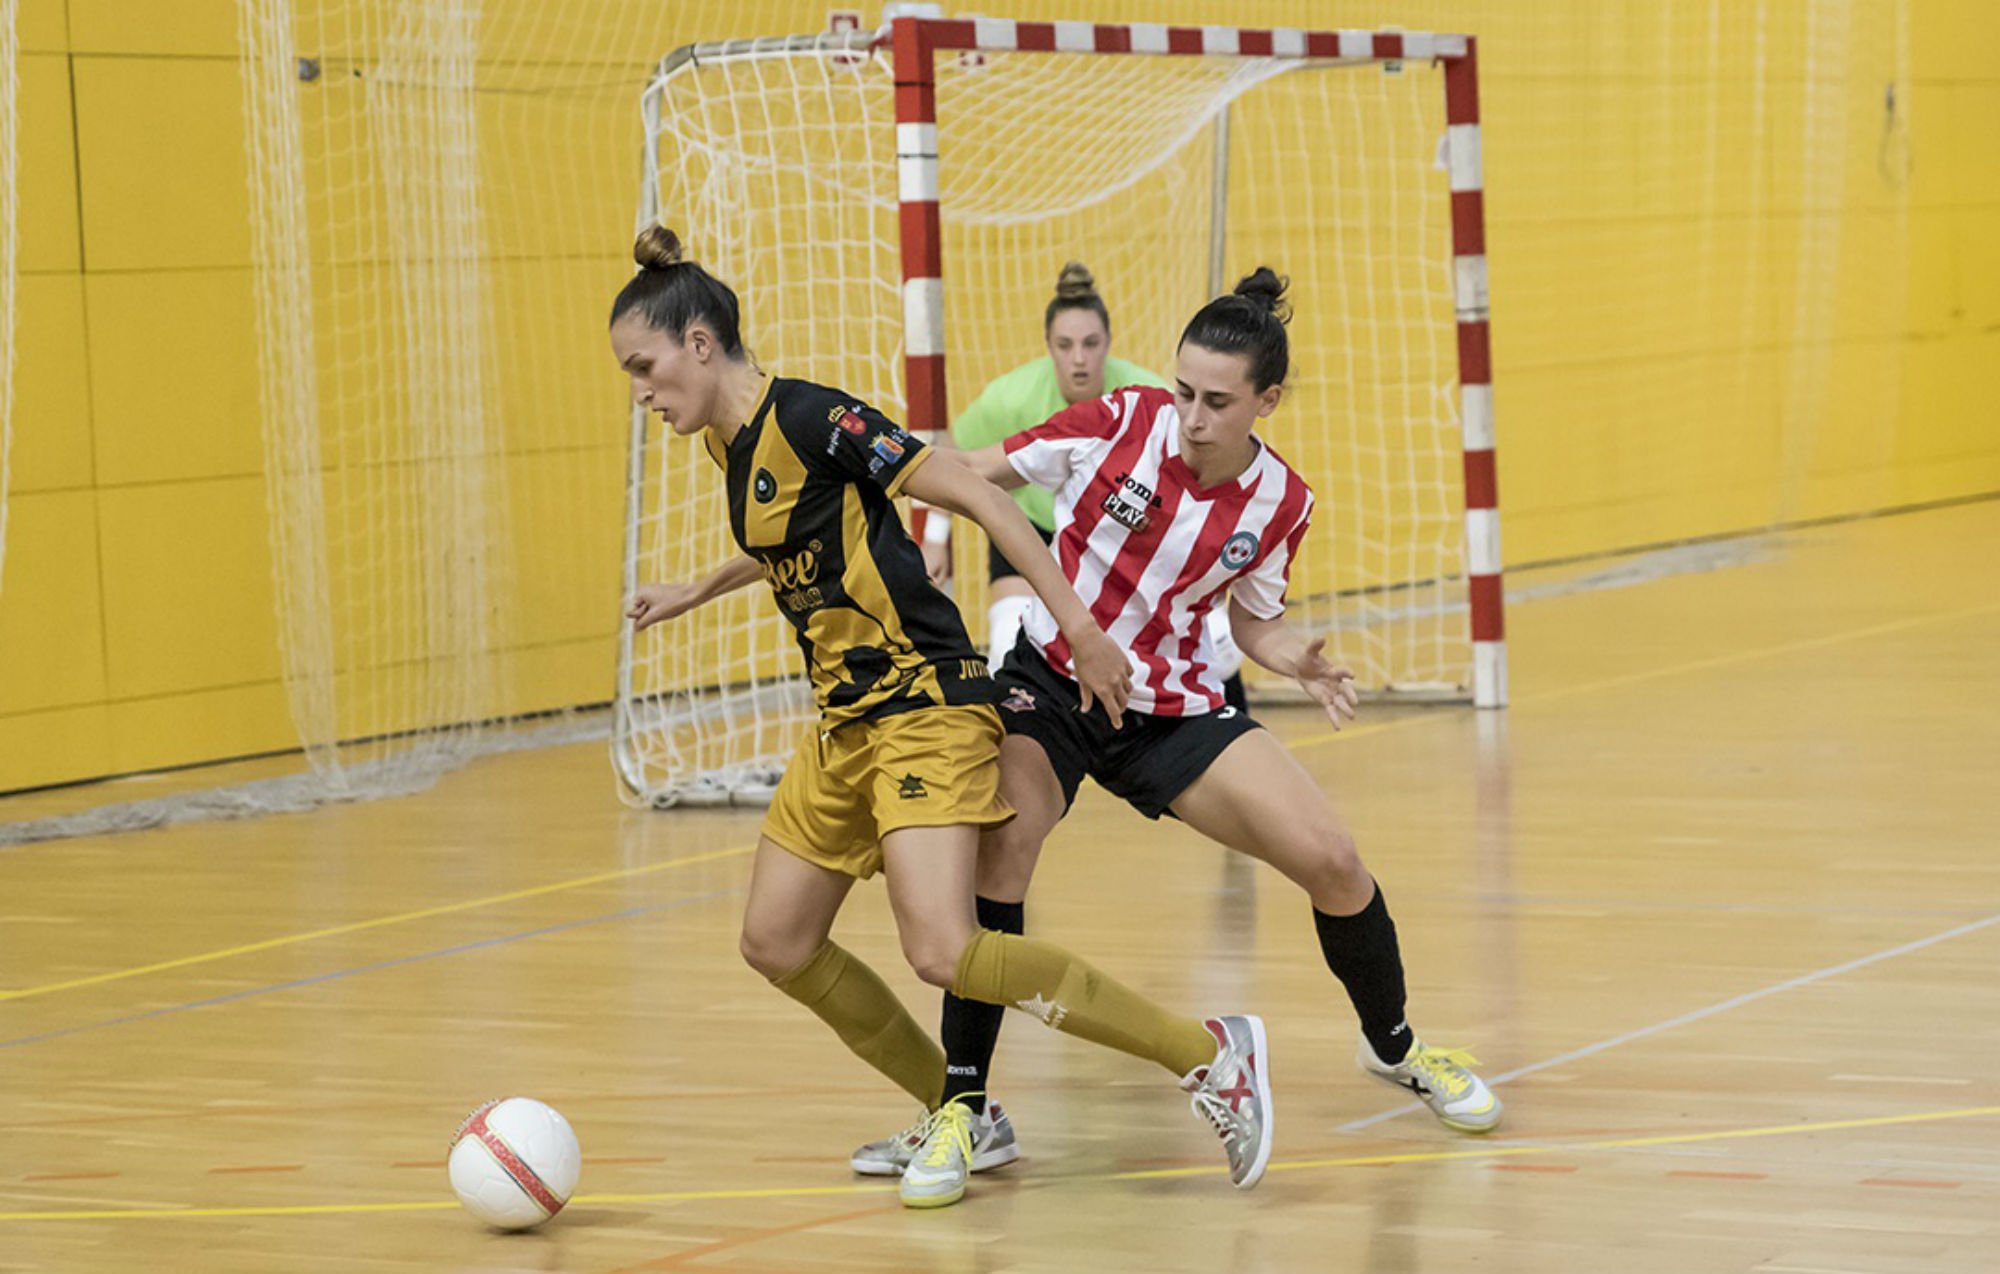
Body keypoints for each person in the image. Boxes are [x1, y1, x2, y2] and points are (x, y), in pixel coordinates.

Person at [614, 225, 1274, 1209]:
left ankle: (1207, 1054)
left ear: (699, 344)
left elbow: (979, 498)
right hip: (845, 720)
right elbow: (796, 534)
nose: (639, 390)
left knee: (941, 947)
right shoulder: (727, 440)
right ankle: (962, 1111)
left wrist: (1080, 627)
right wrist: (694, 588)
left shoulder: (817, 416)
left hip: (924, 702)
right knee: (776, 940)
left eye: (644, 366)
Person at [851, 268, 1500, 1181]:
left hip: (1172, 711)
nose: (1191, 416)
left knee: (1332, 858)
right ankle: (966, 1108)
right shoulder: (1120, 420)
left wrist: (1293, 658)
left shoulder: (1282, 502)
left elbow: (1253, 621)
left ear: (1266, 402)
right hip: (1053, 687)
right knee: (1003, 850)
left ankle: (1395, 1046)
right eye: (1185, 390)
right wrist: (873, 473)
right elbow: (974, 470)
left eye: (1216, 402)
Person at [926, 262, 1251, 712]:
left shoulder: (1149, 398)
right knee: (1005, 642)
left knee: (1219, 643)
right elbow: (956, 456)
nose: (1079, 358)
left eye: (1090, 344)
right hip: (1033, 532)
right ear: (1048, 347)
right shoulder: (1010, 397)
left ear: (1108, 344)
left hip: (1125, 538)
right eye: (1065, 345)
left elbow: (1196, 486)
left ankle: (1215, 726)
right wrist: (935, 536)